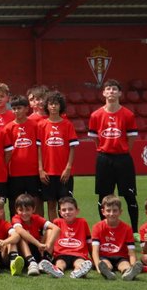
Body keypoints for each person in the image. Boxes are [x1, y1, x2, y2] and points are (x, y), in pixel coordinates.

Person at [88, 80, 138, 228]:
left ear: (120, 93)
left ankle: (134, 231)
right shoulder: (96, 115)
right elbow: (95, 140)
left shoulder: (128, 114)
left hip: (123, 159)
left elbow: (132, 137)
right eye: (108, 89)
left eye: (114, 89)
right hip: (104, 159)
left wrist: (122, 150)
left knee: (130, 196)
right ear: (103, 93)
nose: (111, 91)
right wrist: (105, 149)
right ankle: (104, 227)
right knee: (103, 197)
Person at [39, 90, 77, 218]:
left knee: (65, 204)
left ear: (61, 106)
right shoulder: (42, 125)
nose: (53, 106)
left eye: (56, 104)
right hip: (47, 173)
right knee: (51, 204)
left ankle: (65, 233)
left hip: (64, 173)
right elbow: (38, 149)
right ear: (47, 106)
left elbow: (72, 148)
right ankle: (55, 233)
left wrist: (68, 168)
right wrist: (41, 169)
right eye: (51, 104)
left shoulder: (67, 125)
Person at [91, 195, 140, 281]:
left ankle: (129, 273)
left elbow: (131, 252)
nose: (111, 214)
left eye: (115, 211)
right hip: (104, 256)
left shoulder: (127, 228)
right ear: (103, 212)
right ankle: (107, 272)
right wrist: (98, 266)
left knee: (125, 265)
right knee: (105, 265)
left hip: (121, 257)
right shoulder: (97, 227)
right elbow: (95, 250)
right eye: (108, 211)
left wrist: (133, 265)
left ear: (120, 212)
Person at [44, 194, 92, 278]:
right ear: (60, 212)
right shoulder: (57, 222)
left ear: (77, 211)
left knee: (79, 262)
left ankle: (78, 271)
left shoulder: (82, 222)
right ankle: (57, 271)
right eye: (64, 210)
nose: (67, 212)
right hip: (61, 253)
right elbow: (50, 239)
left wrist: (94, 258)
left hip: (78, 253)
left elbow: (89, 241)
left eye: (70, 209)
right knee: (60, 262)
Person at [10, 192, 58, 275]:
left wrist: (47, 246)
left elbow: (56, 228)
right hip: (24, 251)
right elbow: (20, 230)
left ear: (34, 209)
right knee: (20, 234)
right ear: (16, 210)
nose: (24, 213)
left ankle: (45, 260)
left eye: (27, 210)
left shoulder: (36, 218)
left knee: (50, 230)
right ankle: (31, 263)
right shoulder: (15, 218)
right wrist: (38, 243)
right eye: (21, 210)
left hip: (39, 249)